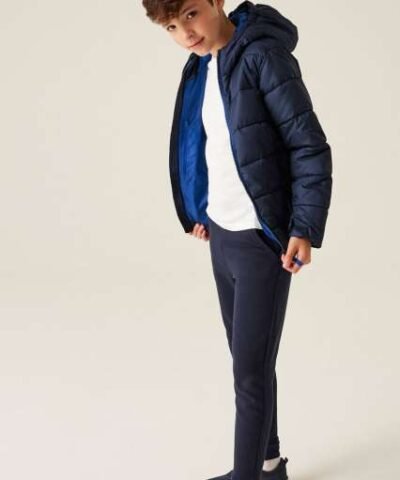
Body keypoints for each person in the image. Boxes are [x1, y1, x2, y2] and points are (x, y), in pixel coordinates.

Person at [142, 1, 333, 479]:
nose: (185, 33)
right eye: (171, 26)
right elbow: (201, 145)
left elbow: (308, 145)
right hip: (223, 237)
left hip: (261, 241)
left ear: (217, 1)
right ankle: (269, 465)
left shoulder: (264, 57)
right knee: (249, 362)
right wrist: (199, 207)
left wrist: (303, 228)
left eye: (190, 14)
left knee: (249, 374)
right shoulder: (200, 68)